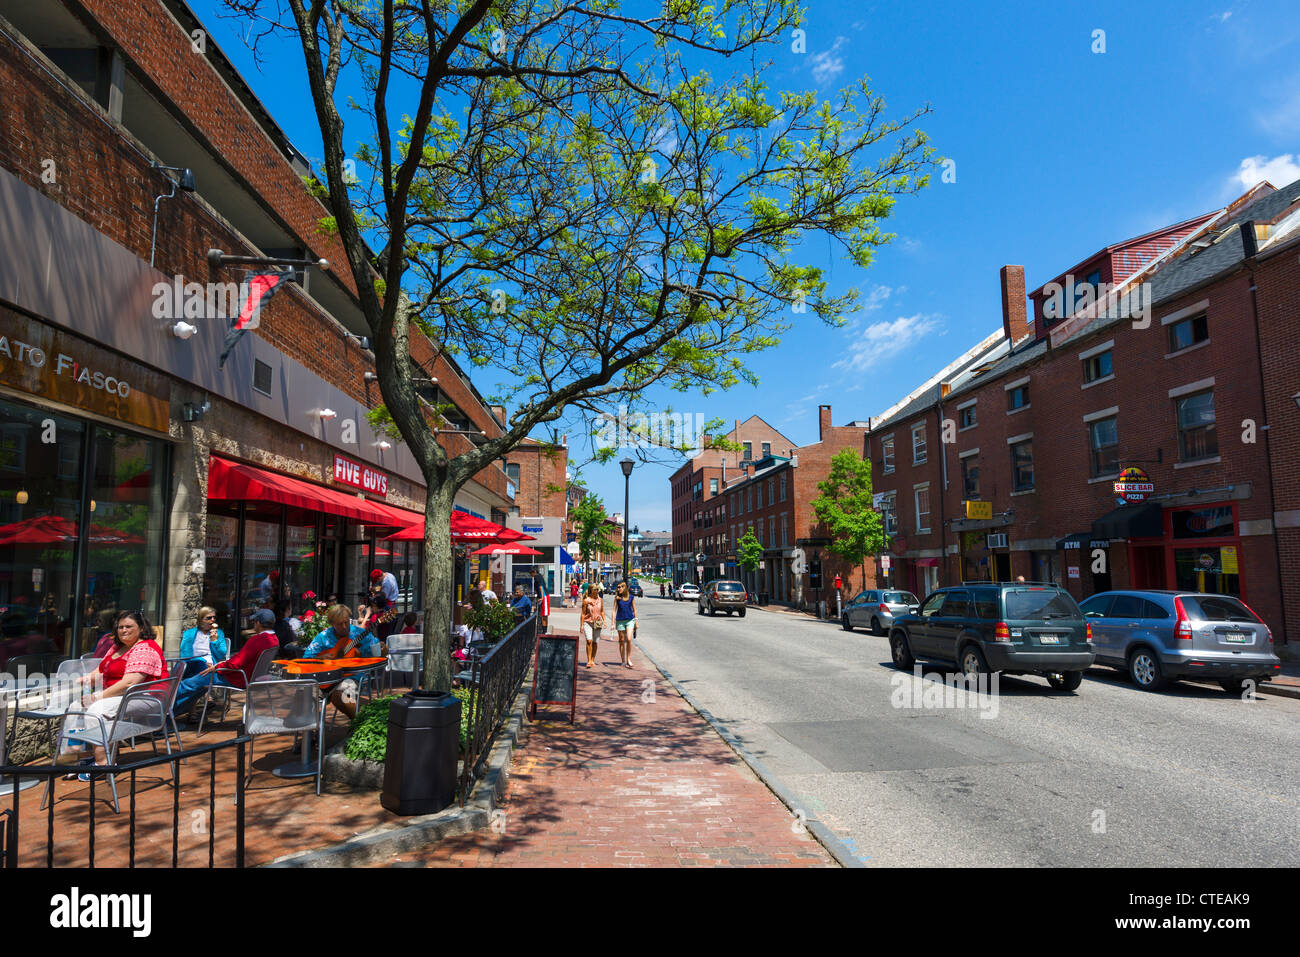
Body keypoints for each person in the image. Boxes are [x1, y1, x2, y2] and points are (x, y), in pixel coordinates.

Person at [56, 611, 168, 778]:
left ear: (141, 628)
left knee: (97, 709)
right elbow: (99, 672)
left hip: (146, 696)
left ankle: (104, 765)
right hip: (120, 696)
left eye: (129, 626)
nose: (123, 630)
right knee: (76, 707)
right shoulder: (116, 647)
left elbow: (129, 683)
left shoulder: (145, 648)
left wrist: (96, 697)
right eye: (120, 627)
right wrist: (81, 679)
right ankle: (81, 757)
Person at [173, 608, 280, 720]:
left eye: (254, 622)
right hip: (249, 676)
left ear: (258, 623)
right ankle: (173, 712)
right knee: (197, 681)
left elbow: (235, 664)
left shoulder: (257, 640)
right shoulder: (274, 639)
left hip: (237, 676)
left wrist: (217, 666)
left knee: (190, 683)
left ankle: (163, 707)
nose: (253, 624)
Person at [302, 604, 384, 720]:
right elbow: (306, 659)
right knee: (305, 692)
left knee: (342, 695)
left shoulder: (360, 634)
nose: (345, 626)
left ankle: (359, 723)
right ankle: (312, 733)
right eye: (340, 624)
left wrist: (382, 649)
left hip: (352, 677)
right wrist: (320, 659)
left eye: (346, 622)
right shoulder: (323, 637)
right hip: (326, 678)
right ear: (332, 624)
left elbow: (377, 654)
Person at [178, 607, 228, 679]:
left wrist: (214, 641)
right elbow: (185, 654)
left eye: (214, 617)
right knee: (179, 666)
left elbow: (221, 655)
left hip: (210, 665)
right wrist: (197, 661)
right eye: (209, 618)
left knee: (200, 666)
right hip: (192, 663)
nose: (213, 620)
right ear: (201, 620)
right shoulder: (189, 633)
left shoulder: (219, 633)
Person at [368, 567, 400, 643]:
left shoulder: (386, 583)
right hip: (393, 604)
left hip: (388, 606)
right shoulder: (389, 575)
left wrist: (374, 592)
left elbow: (382, 598)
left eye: (377, 580)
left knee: (384, 633)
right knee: (389, 631)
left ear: (379, 577)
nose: (378, 582)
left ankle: (383, 646)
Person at [614, 581, 637, 668]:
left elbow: (634, 610)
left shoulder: (631, 597)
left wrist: (636, 622)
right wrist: (612, 623)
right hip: (620, 620)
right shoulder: (617, 598)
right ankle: (623, 660)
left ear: (624, 588)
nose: (618, 589)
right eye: (618, 587)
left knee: (629, 639)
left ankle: (628, 659)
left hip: (630, 620)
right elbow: (613, 610)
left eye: (620, 587)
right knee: (621, 641)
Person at [580, 583, 604, 668]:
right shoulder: (586, 600)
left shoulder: (600, 600)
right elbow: (583, 614)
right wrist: (581, 625)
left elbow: (602, 611)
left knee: (595, 642)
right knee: (589, 641)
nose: (597, 591)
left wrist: (604, 621)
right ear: (591, 590)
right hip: (588, 622)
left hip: (597, 623)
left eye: (597, 589)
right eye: (595, 589)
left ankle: (593, 659)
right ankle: (589, 660)